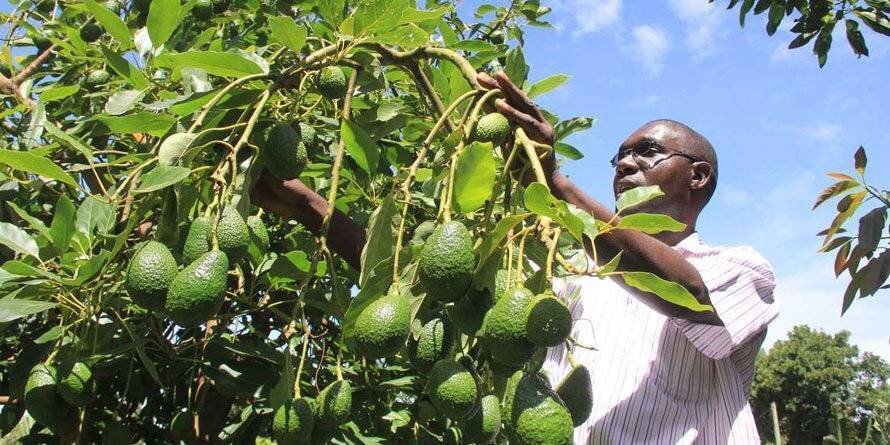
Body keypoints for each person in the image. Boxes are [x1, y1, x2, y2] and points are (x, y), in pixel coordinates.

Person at [251, 71, 778, 444]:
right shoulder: (570, 275)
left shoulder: (739, 267)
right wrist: (314, 209)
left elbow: (687, 295)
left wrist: (553, 184)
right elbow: (435, 282)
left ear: (698, 175)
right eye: (619, 156)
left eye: (646, 151)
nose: (625, 164)